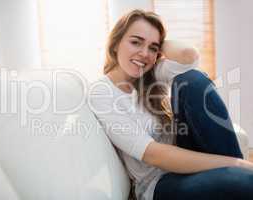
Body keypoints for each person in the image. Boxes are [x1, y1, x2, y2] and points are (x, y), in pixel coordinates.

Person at [88, 9, 253, 200]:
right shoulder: (101, 92)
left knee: (192, 79)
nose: (144, 54)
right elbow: (153, 155)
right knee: (241, 182)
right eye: (135, 42)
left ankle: (241, 175)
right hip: (160, 182)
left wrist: (158, 44)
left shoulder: (150, 73)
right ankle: (241, 173)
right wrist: (235, 163)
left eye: (153, 48)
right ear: (115, 44)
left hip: (189, 156)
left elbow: (188, 55)